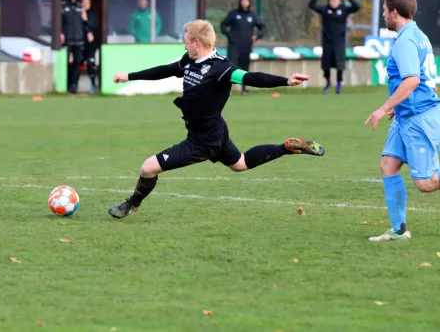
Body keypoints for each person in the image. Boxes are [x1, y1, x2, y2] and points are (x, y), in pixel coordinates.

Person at [107, 19, 325, 219]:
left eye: (186, 43)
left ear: (197, 43)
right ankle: (286, 147)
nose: (184, 47)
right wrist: (130, 76)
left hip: (203, 140)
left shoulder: (222, 68)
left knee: (148, 168)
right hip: (215, 130)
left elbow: (250, 77)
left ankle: (132, 204)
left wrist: (286, 80)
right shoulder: (189, 61)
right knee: (240, 163)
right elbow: (166, 70)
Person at [365, 0, 440, 241]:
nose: (383, 15)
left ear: (394, 11)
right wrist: (397, 107)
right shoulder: (417, 35)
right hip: (407, 114)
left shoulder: (406, 40)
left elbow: (412, 80)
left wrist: (383, 107)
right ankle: (399, 230)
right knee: (388, 164)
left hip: (419, 117)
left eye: (385, 11)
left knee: (425, 183)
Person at [308, 0, 360, 94]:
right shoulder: (324, 9)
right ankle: (328, 83)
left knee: (339, 65)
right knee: (326, 65)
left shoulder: (344, 10)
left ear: (339, 1)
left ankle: (339, 85)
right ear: (329, 2)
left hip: (339, 42)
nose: (333, 3)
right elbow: (311, 5)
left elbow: (357, 7)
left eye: (336, 1)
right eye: (332, 1)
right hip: (327, 42)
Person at [220, 0, 266, 95]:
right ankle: (228, 89)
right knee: (231, 66)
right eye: (243, 0)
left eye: (246, 1)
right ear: (240, 2)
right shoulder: (234, 14)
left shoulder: (252, 15)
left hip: (246, 46)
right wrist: (229, 35)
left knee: (244, 67)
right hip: (234, 45)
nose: (244, 2)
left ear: (249, 2)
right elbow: (223, 24)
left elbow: (262, 27)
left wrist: (257, 36)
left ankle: (243, 89)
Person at [61, 0, 85, 94]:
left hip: (79, 41)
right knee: (66, 63)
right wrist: (61, 33)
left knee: (77, 64)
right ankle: (66, 85)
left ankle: (74, 86)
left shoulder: (80, 6)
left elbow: (85, 22)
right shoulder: (63, 6)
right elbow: (59, 21)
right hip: (67, 40)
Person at [81, 0, 97, 94]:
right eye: (84, 3)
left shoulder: (92, 14)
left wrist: (85, 19)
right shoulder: (77, 14)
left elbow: (93, 25)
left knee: (90, 63)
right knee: (76, 63)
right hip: (79, 42)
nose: (85, 4)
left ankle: (93, 85)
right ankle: (72, 85)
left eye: (87, 3)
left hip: (90, 44)